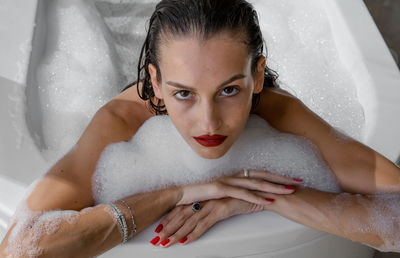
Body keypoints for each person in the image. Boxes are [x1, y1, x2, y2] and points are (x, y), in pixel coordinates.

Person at [1, 0, 399, 256]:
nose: (208, 122)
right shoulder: (120, 122)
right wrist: (177, 192)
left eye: (229, 89)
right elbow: (19, 249)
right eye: (183, 94)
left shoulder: (277, 111)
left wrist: (263, 196)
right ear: (155, 83)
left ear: (257, 77)